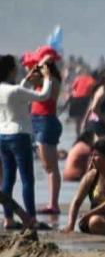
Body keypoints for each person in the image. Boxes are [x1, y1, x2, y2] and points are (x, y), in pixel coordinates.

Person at [0, 54, 53, 230]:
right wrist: (47, 78)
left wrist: (26, 80)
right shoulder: (16, 91)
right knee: (27, 180)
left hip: (3, 136)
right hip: (19, 135)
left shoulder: (8, 89)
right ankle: (31, 219)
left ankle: (8, 218)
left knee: (7, 179)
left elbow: (15, 95)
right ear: (11, 70)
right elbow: (44, 95)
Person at [28, 59, 63, 215]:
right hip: (38, 121)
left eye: (41, 67)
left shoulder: (52, 81)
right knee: (47, 166)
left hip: (46, 121)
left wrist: (44, 72)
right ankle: (52, 203)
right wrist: (35, 69)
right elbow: (29, 80)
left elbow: (45, 92)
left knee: (51, 166)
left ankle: (53, 204)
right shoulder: (41, 81)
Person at [81, 70, 105, 142]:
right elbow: (94, 108)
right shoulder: (102, 93)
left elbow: (91, 106)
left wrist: (84, 121)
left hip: (98, 123)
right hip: (97, 124)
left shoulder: (102, 90)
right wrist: (104, 119)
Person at [67, 66, 96, 137]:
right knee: (85, 118)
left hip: (75, 99)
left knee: (78, 120)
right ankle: (84, 135)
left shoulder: (78, 78)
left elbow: (72, 89)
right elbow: (93, 92)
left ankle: (78, 135)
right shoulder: (92, 80)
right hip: (84, 99)